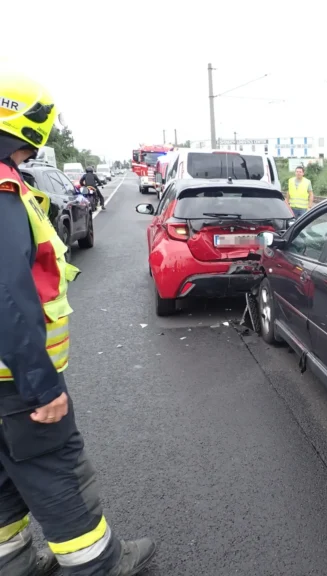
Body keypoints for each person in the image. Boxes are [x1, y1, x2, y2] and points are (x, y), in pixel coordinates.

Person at [0, 67, 155, 575]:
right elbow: (6, 295)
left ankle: (15, 562)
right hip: (14, 381)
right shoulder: (3, 189)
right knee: (55, 472)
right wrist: (41, 386)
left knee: (3, 478)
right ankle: (99, 564)